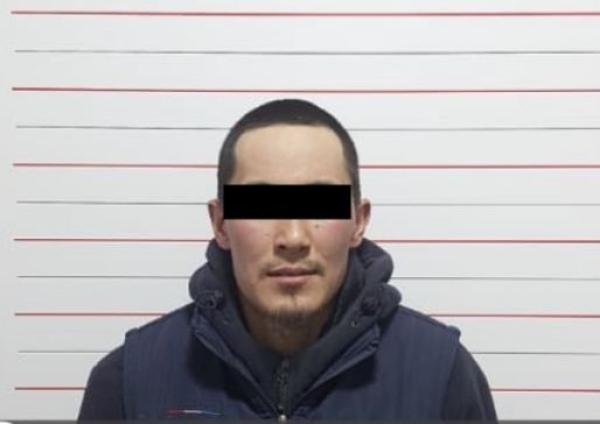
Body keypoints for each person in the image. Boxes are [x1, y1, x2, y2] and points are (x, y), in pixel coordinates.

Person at [78, 99, 497, 420]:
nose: (293, 238)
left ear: (359, 221)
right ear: (220, 223)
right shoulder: (129, 381)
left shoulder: (442, 374)